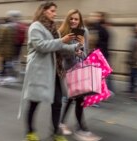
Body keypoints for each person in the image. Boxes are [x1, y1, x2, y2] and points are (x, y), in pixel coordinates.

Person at [19, 2, 83, 141]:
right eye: (52, 11)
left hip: (55, 71)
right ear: (43, 11)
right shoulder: (35, 27)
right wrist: (62, 40)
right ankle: (30, 132)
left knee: (58, 103)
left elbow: (59, 47)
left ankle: (56, 132)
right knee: (34, 102)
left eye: (55, 11)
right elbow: (41, 46)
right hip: (40, 71)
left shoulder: (54, 29)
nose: (55, 13)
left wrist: (74, 48)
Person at [58, 9, 102, 141]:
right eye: (71, 18)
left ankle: (63, 123)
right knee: (78, 99)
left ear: (80, 20)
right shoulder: (63, 32)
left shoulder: (84, 32)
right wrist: (72, 49)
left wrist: (81, 46)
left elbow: (85, 53)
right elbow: (61, 53)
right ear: (68, 19)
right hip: (68, 70)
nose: (73, 21)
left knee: (74, 98)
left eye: (76, 19)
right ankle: (82, 129)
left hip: (80, 70)